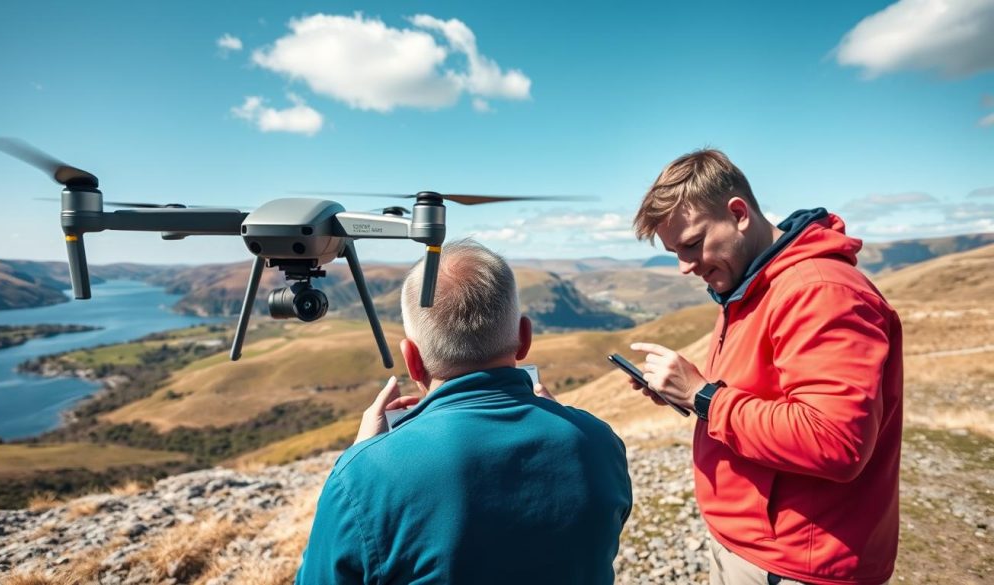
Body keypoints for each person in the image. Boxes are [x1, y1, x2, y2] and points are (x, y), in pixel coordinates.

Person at [628, 149, 902, 585]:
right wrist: (687, 393)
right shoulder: (752, 281)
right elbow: (762, 392)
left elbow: (836, 441)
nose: (684, 266)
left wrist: (704, 397)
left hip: (797, 565)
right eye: (674, 252)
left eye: (693, 244)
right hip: (759, 550)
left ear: (738, 213)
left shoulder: (819, 291)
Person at [295, 240, 632, 584]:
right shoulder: (601, 443)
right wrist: (574, 433)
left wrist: (362, 456)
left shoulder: (362, 477)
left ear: (412, 360)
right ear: (524, 338)